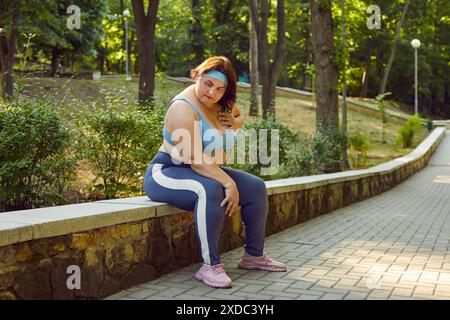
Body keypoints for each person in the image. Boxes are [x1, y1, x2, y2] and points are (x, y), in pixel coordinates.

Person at [143, 56, 286, 289]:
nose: (212, 92)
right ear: (196, 75)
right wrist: (228, 182)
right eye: (208, 83)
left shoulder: (223, 102)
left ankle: (254, 256)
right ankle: (210, 266)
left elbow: (238, 119)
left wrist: (232, 121)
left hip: (202, 169)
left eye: (220, 88)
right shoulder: (182, 107)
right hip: (167, 171)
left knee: (256, 187)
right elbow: (193, 159)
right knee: (210, 189)